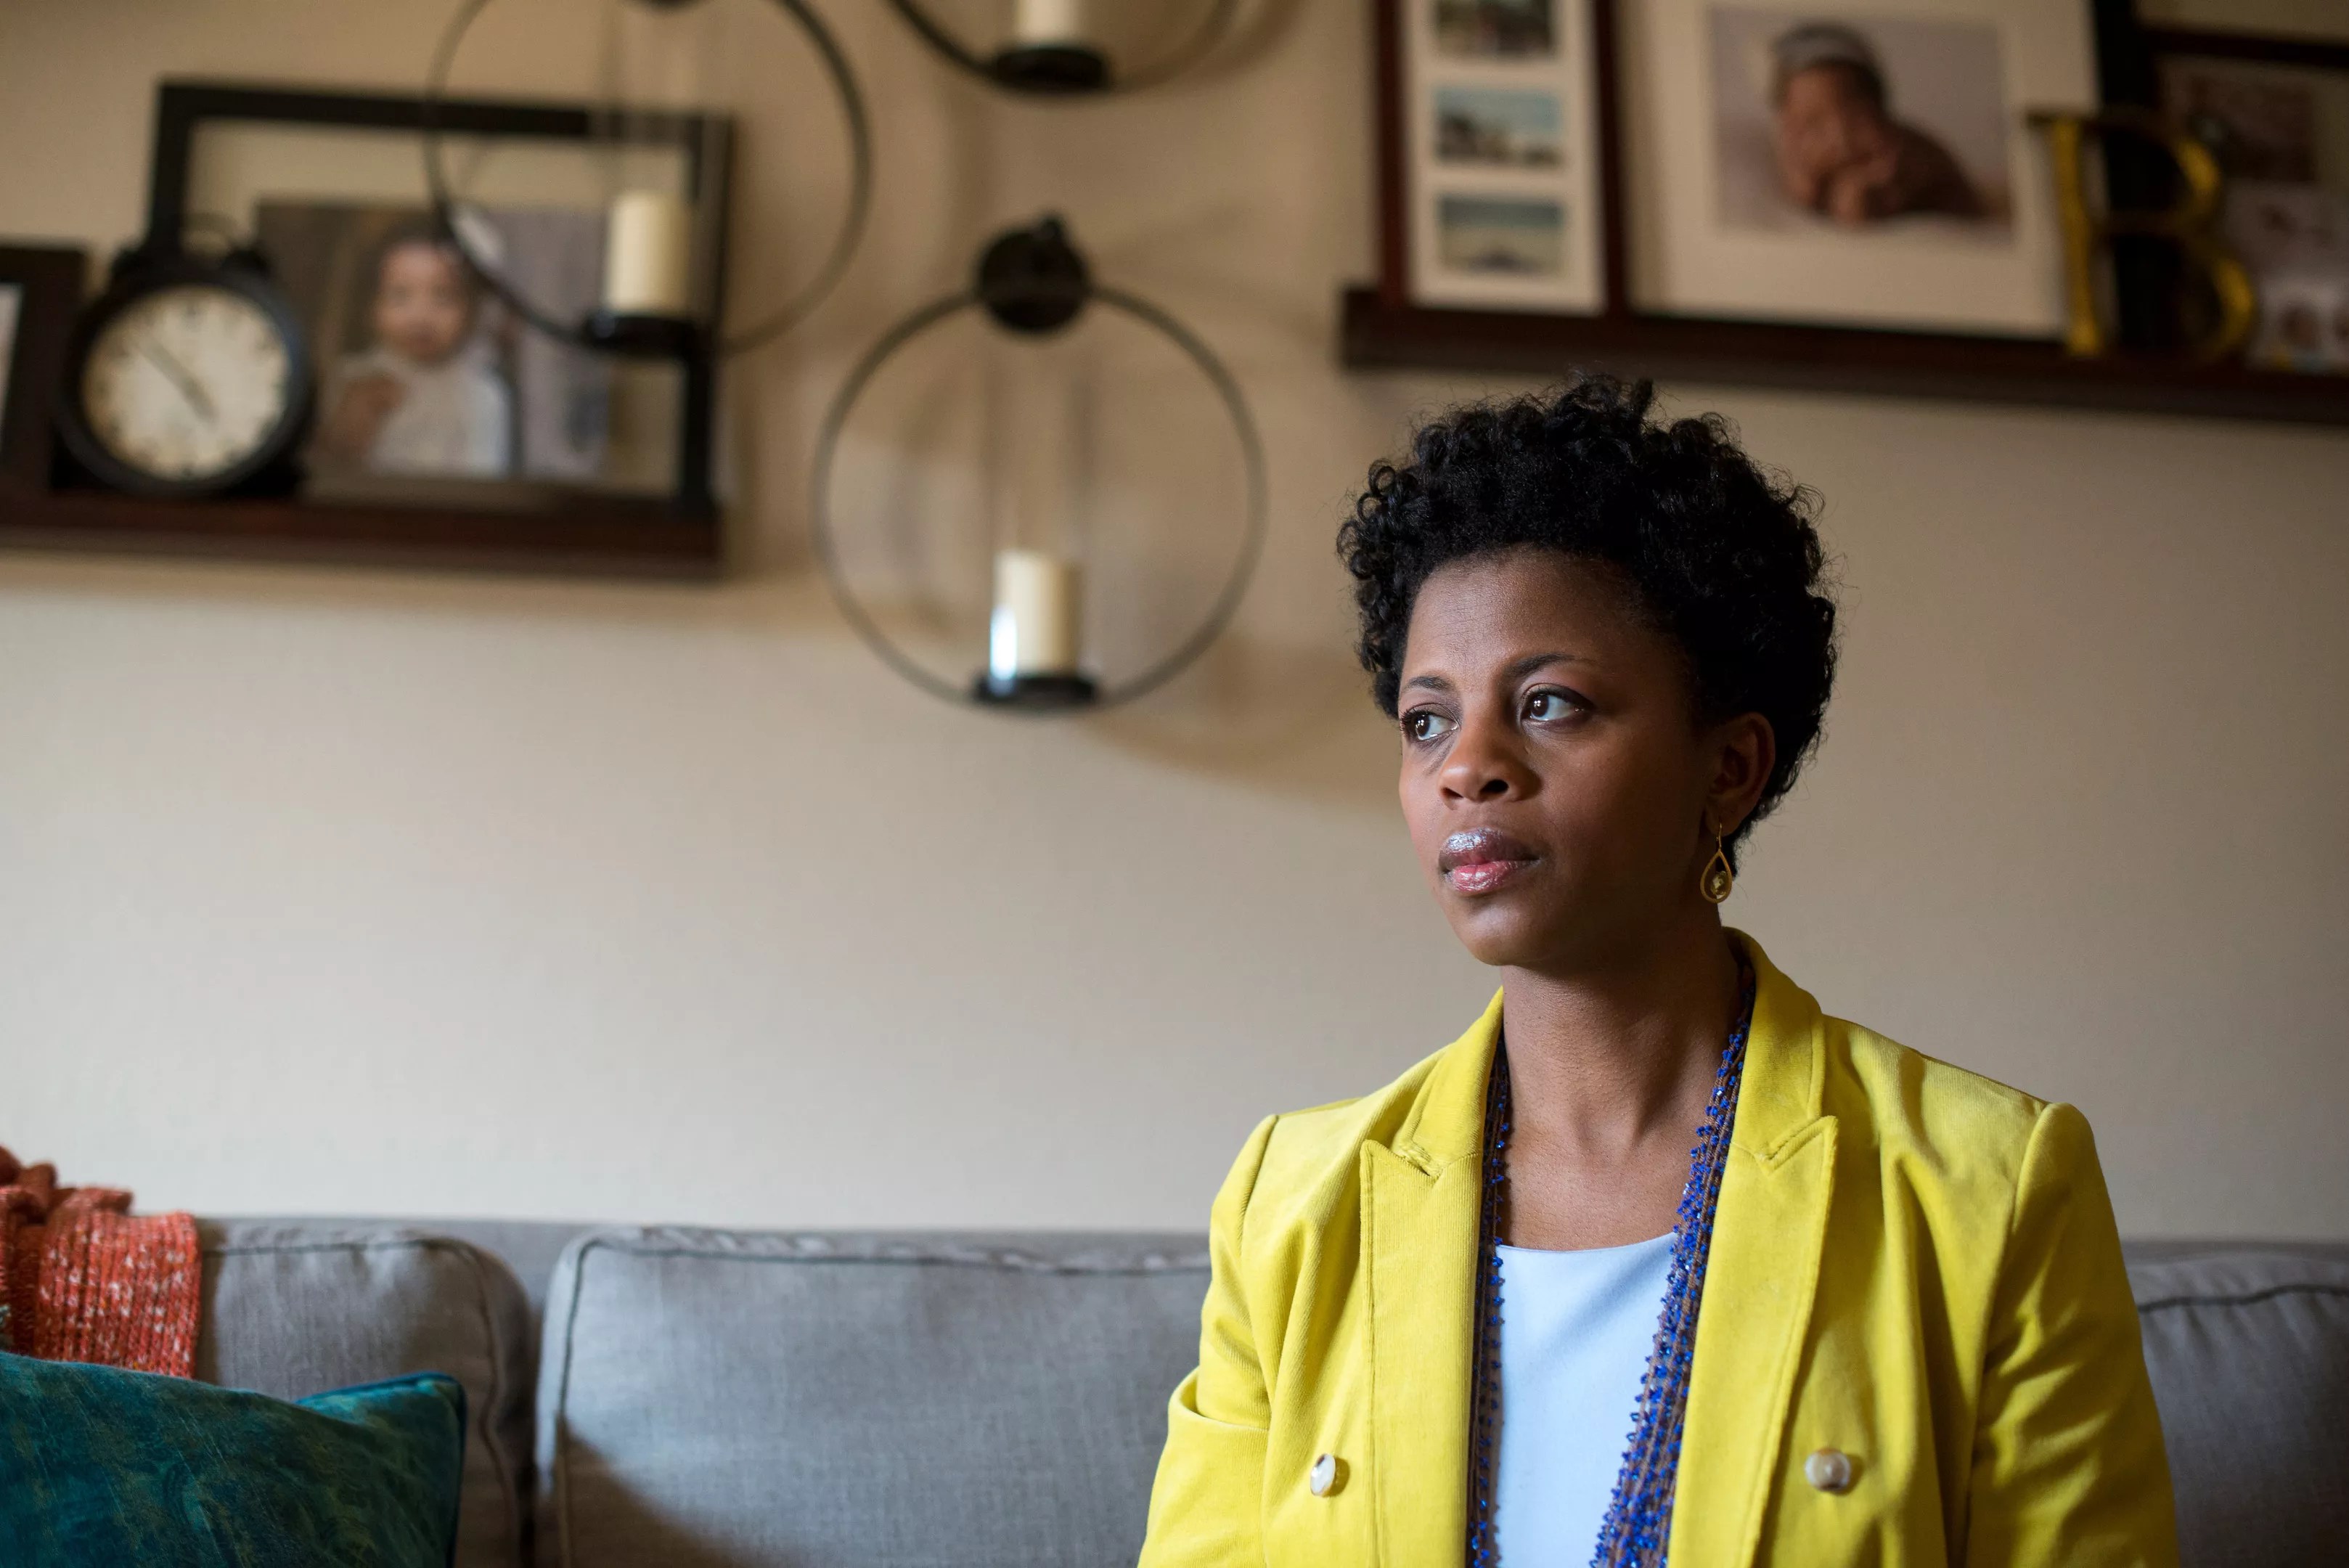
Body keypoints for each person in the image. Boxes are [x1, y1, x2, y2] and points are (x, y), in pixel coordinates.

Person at [1137, 377, 2176, 1567]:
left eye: (1550, 704)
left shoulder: (1984, 1188)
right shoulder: (1291, 1204)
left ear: (1728, 770)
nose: (1467, 766)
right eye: (1427, 721)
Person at [318, 225, 512, 478]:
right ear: (371, 305)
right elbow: (331, 468)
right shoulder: (353, 377)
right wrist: (356, 415)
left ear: (471, 309)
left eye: (442, 296)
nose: (421, 317)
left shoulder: (482, 393)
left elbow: (486, 477)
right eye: (400, 295)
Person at [1770, 22, 1985, 225]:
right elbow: (1803, 197)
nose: (1840, 138)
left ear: (1880, 112)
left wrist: (1861, 191)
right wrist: (1805, 178)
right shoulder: (1797, 151)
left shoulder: (1899, 152)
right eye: (1813, 124)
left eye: (1856, 118)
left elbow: (1858, 212)